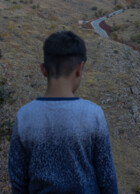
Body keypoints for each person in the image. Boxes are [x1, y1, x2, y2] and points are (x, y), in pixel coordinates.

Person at [8, 31, 118, 193]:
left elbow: (18, 180)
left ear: (43, 69)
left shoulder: (24, 116)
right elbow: (107, 178)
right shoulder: (94, 114)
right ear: (80, 68)